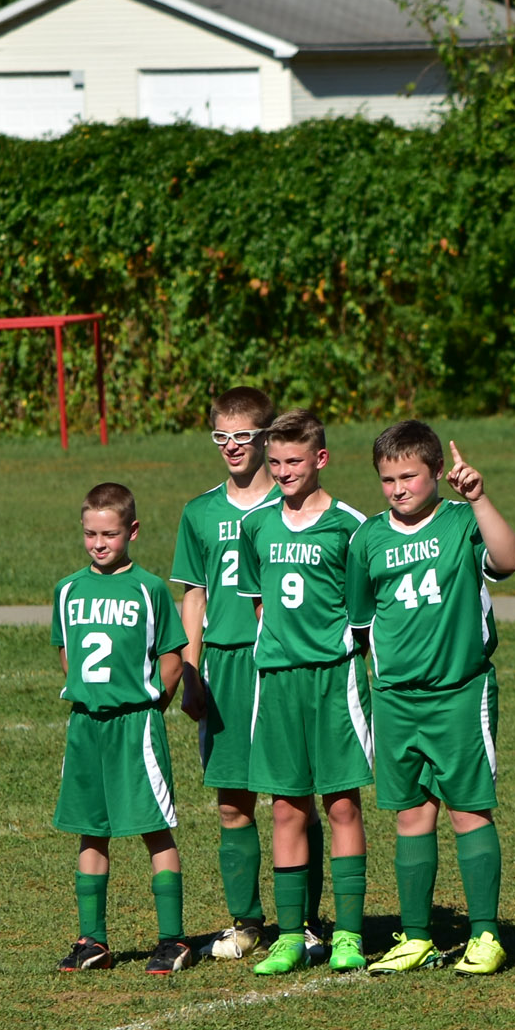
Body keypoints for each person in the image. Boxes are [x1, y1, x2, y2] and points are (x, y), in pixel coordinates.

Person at [350, 422, 515, 976]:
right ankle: (417, 935)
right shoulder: (368, 539)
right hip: (398, 698)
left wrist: (478, 498)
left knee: (468, 811)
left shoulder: (459, 521)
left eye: (409, 476)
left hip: (458, 692)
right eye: (387, 479)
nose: (398, 488)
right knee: (410, 816)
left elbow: (510, 559)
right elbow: (360, 622)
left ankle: (486, 934)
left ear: (433, 474)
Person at [237, 410, 373, 976]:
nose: (284, 472)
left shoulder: (351, 525)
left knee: (341, 803)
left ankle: (347, 934)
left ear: (320, 459)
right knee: (286, 808)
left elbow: (363, 613)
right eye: (275, 463)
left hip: (333, 677)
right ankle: (290, 934)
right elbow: (259, 601)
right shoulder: (257, 525)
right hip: (277, 680)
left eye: (295, 461)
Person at [52, 483, 193, 974]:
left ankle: (173, 939)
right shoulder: (67, 589)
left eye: (109, 534)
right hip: (86, 724)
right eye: (90, 533)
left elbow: (172, 658)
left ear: (131, 531)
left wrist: (153, 702)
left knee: (153, 827)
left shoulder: (149, 587)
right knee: (92, 832)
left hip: (136, 725)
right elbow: (67, 654)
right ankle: (93, 939)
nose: (98, 543)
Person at [170, 386, 285, 962]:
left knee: (294, 797)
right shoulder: (200, 511)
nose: (232, 447)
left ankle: (303, 922)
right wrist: (190, 669)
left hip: (283, 662)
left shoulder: (292, 504)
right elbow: (194, 595)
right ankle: (245, 922)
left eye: (243, 437)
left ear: (266, 437)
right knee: (232, 801)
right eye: (222, 437)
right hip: (223, 663)